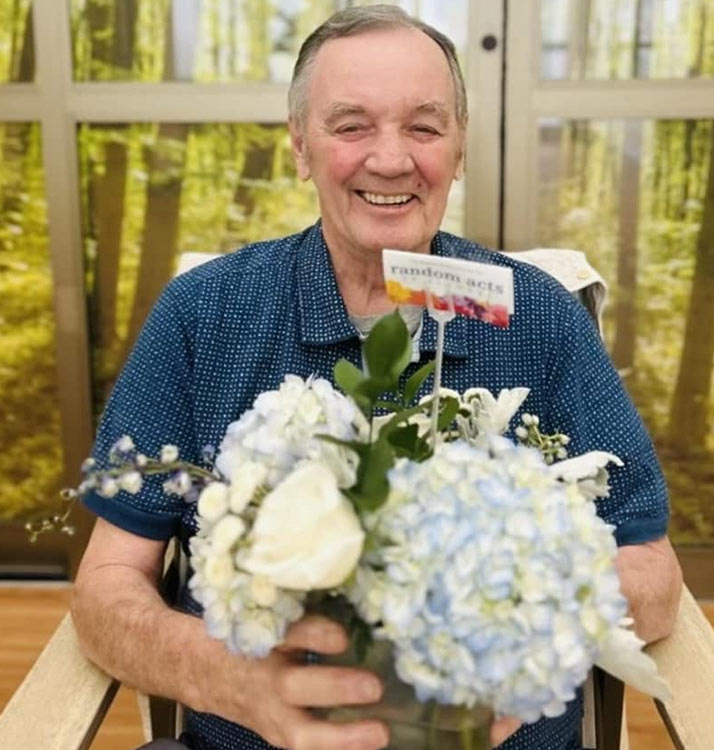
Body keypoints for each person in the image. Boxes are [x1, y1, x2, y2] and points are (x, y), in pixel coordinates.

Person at [71, 6, 683, 750]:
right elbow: (106, 586)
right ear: (300, 147)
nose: (391, 160)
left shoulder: (538, 318)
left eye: (424, 127)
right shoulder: (206, 314)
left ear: (459, 150)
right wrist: (227, 677)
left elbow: (649, 571)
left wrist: (518, 645)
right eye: (351, 125)